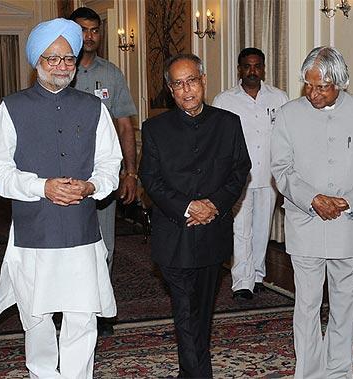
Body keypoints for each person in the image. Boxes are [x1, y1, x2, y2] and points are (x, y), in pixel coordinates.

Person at [0, 18, 122, 379]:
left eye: (68, 59)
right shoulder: (11, 108)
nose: (61, 66)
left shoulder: (94, 108)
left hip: (81, 232)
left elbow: (111, 163)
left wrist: (91, 187)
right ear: (37, 62)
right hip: (34, 235)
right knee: (37, 317)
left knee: (81, 315)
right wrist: (40, 187)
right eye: (52, 59)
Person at [271, 46, 353, 379]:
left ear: (340, 82)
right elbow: (281, 168)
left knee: (344, 304)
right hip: (305, 222)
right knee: (306, 306)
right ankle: (309, 373)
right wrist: (313, 199)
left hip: (349, 227)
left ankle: (338, 372)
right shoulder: (288, 114)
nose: (312, 94)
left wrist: (350, 200)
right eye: (308, 85)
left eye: (321, 87)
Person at [139, 54, 251, 378]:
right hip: (174, 234)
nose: (186, 89)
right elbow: (151, 178)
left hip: (213, 232)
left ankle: (190, 371)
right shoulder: (155, 128)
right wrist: (188, 207)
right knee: (185, 310)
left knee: (202, 312)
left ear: (203, 80)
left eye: (191, 81)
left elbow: (240, 169)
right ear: (169, 89)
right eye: (178, 83)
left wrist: (213, 205)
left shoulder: (228, 123)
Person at [69, 7, 138, 336]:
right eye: (83, 30)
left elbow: (125, 126)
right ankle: (67, 306)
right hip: (64, 176)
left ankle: (99, 308)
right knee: (67, 243)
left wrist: (130, 172)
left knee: (103, 245)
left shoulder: (111, 74)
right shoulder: (58, 70)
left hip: (103, 175)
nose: (90, 36)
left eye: (95, 30)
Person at [213, 47, 289, 300]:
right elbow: (218, 141)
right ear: (239, 69)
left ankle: (257, 276)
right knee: (241, 229)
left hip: (269, 176)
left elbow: (286, 136)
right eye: (247, 66)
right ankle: (241, 283)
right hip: (238, 178)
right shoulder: (225, 100)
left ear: (263, 68)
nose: (252, 71)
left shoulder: (279, 98)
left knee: (262, 229)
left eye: (257, 66)